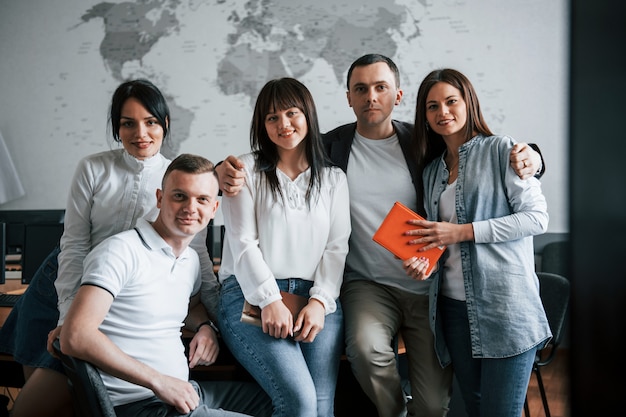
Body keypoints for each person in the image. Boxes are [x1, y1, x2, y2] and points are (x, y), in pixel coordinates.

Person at [215, 54, 543, 417]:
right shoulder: (330, 148)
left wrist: (534, 158)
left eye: (380, 88)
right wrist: (219, 171)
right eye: (361, 89)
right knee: (362, 358)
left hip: (427, 286)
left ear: (397, 95)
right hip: (366, 286)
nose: (371, 96)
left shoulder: (423, 143)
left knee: (434, 404)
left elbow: (472, 153)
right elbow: (279, 150)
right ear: (349, 98)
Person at [0, 79, 220, 417]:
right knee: (41, 399)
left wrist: (211, 324)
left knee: (85, 396)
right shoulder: (93, 168)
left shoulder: (176, 177)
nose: (140, 133)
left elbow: (197, 257)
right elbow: (73, 246)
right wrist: (68, 314)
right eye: (127, 123)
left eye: (150, 122)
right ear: (117, 129)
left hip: (119, 297)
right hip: (59, 288)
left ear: (165, 124)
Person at [58, 153, 271, 417]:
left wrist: (204, 326)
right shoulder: (119, 251)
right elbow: (75, 336)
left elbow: (191, 305)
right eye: (179, 196)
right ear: (160, 198)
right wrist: (159, 381)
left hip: (181, 392)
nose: (190, 208)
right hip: (139, 404)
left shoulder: (190, 260)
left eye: (202, 199)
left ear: (214, 209)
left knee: (281, 402)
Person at [407, 68, 551, 416]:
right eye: (432, 106)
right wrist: (421, 261)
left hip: (505, 308)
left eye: (451, 101)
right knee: (473, 408)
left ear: (469, 102)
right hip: (453, 310)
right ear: (424, 117)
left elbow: (537, 219)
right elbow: (437, 240)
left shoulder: (504, 150)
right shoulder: (432, 171)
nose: (443, 112)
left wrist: (464, 231)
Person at [217, 78, 350, 417]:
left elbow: (336, 248)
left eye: (292, 113)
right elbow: (243, 243)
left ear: (308, 115)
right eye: (272, 117)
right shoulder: (243, 171)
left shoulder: (334, 178)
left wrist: (320, 302)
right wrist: (270, 300)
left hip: (315, 299)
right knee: (299, 404)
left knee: (321, 409)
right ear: (262, 125)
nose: (284, 125)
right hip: (251, 296)